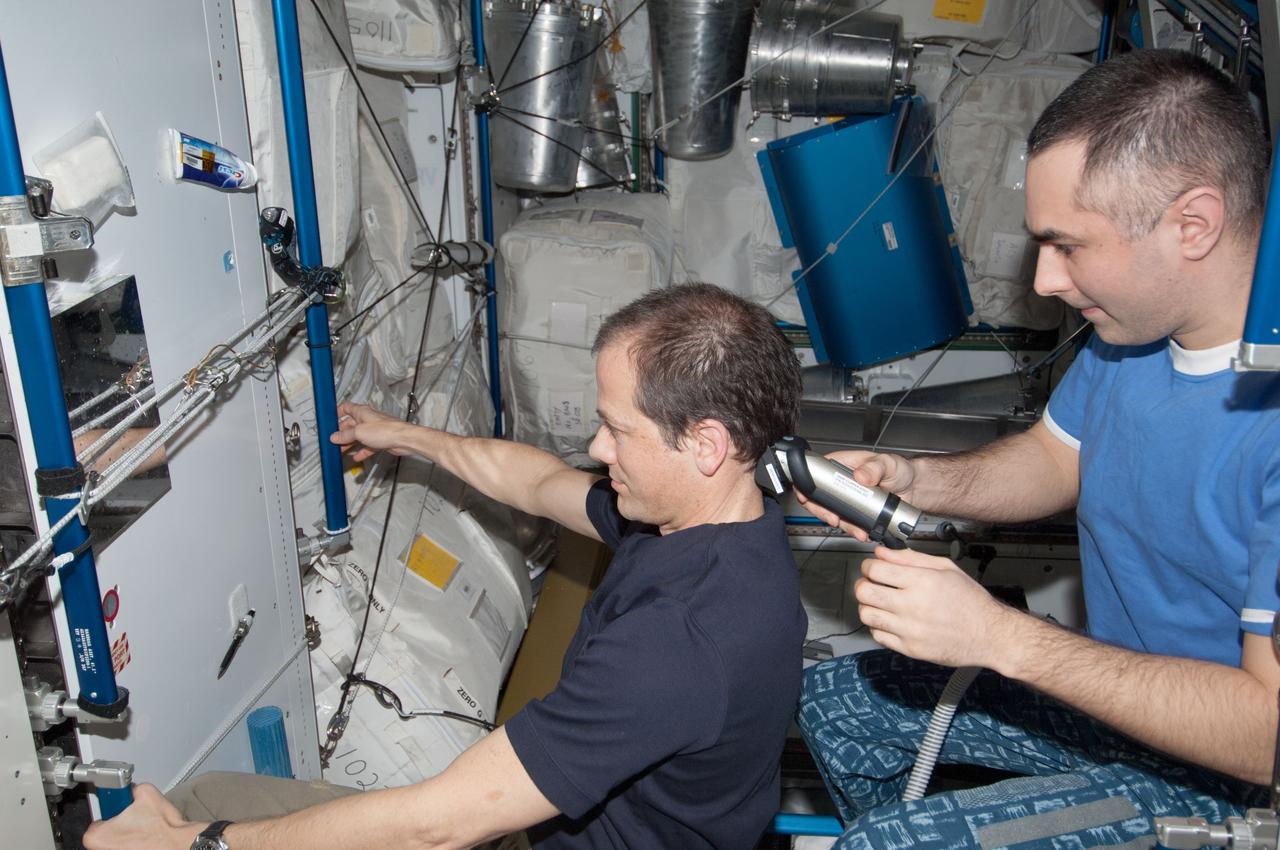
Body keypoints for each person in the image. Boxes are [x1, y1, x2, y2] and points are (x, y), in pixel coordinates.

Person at [84, 282, 807, 850]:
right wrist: (402, 436)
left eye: (618, 429)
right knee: (210, 800)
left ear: (706, 444)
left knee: (204, 816)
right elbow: (536, 482)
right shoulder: (709, 521)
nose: (597, 446)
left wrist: (200, 849)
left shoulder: (683, 643)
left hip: (515, 834)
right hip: (548, 827)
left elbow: (438, 826)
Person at [796, 49, 1280, 850]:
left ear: (1193, 225)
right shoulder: (1133, 331)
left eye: (1069, 245)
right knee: (834, 708)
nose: (1047, 280)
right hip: (1108, 696)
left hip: (1225, 772)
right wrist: (914, 477)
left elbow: (1268, 733)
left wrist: (998, 638)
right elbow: (1058, 459)